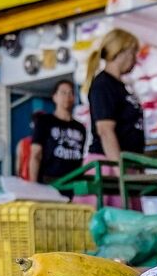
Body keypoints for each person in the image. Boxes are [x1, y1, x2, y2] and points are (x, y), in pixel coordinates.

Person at [85, 29, 146, 164]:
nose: (135, 60)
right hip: (110, 165)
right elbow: (105, 130)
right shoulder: (103, 85)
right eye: (132, 53)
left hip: (127, 162)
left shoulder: (121, 86)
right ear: (120, 53)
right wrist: (120, 170)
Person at [29, 79, 87, 184]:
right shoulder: (44, 121)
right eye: (63, 92)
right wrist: (33, 185)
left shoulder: (80, 127)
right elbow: (35, 154)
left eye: (71, 93)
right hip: (49, 181)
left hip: (75, 182)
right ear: (54, 97)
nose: (67, 96)